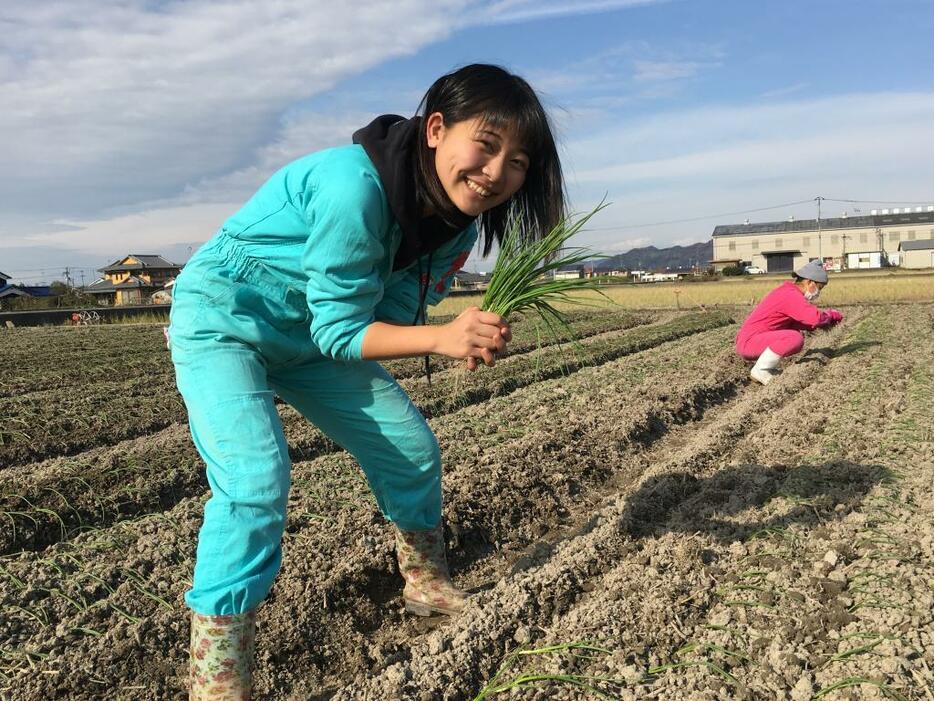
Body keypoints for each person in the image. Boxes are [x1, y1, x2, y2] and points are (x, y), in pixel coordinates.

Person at [169, 64, 566, 699]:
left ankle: (426, 583)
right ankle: (217, 679)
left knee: (410, 450)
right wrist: (440, 337)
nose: (496, 173)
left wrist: (460, 331)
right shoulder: (352, 188)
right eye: (485, 146)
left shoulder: (452, 224)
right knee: (253, 483)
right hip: (227, 319)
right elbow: (341, 331)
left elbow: (379, 316)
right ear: (436, 129)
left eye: (517, 162)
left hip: (309, 337)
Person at [735, 260, 843, 385]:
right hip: (749, 343)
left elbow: (798, 322)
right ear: (809, 282)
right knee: (794, 337)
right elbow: (814, 318)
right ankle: (761, 370)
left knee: (794, 333)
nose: (818, 292)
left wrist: (822, 323)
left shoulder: (788, 292)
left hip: (751, 340)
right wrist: (829, 316)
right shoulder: (790, 295)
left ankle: (764, 368)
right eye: (819, 288)